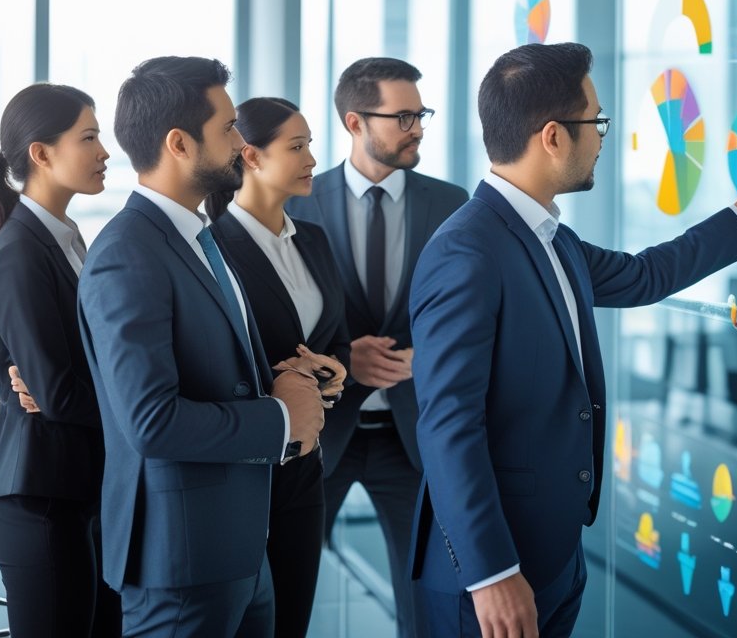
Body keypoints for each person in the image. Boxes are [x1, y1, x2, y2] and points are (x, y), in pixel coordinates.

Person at [408, 42, 737, 638]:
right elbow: (447, 425)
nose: (602, 135)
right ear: (552, 137)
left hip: (553, 556)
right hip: (490, 582)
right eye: (595, 121)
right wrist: (492, 572)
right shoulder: (468, 250)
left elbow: (645, 275)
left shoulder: (551, 238)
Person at [77, 57, 329, 638]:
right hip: (181, 560)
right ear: (179, 144)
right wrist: (281, 417)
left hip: (239, 546)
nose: (242, 144)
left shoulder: (197, 238)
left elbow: (216, 370)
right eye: (229, 129)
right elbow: (151, 422)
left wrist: (292, 376)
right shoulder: (128, 253)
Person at [288, 57, 468, 638]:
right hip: (318, 438)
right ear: (354, 121)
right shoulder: (295, 203)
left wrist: (427, 358)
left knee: (427, 608)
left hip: (414, 440)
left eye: (421, 114)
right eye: (403, 116)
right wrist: (344, 361)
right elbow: (269, 322)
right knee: (284, 596)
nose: (417, 126)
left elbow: (471, 315)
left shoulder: (451, 204)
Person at [207, 97, 364, 638]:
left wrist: (336, 371)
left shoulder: (314, 240)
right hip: (246, 464)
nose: (313, 159)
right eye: (297, 147)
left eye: (311, 145)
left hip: (306, 463)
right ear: (249, 156)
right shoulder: (214, 247)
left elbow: (335, 341)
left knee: (293, 618)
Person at [0, 83, 121, 637]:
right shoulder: (20, 252)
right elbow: (56, 395)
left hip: (80, 487)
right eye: (89, 137)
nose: (105, 151)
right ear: (41, 153)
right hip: (41, 499)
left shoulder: (67, 238)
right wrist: (146, 407)